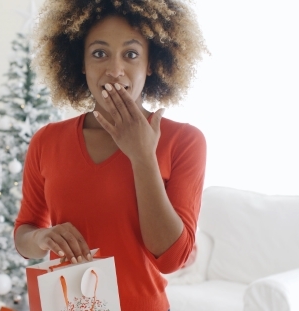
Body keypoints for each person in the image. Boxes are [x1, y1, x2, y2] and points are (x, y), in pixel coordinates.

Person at [13, 0, 208, 310]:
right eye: (99, 53)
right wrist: (43, 238)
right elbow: (24, 231)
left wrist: (143, 156)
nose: (115, 70)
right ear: (80, 62)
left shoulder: (183, 141)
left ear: (151, 63)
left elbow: (171, 258)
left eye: (131, 54)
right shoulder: (47, 141)